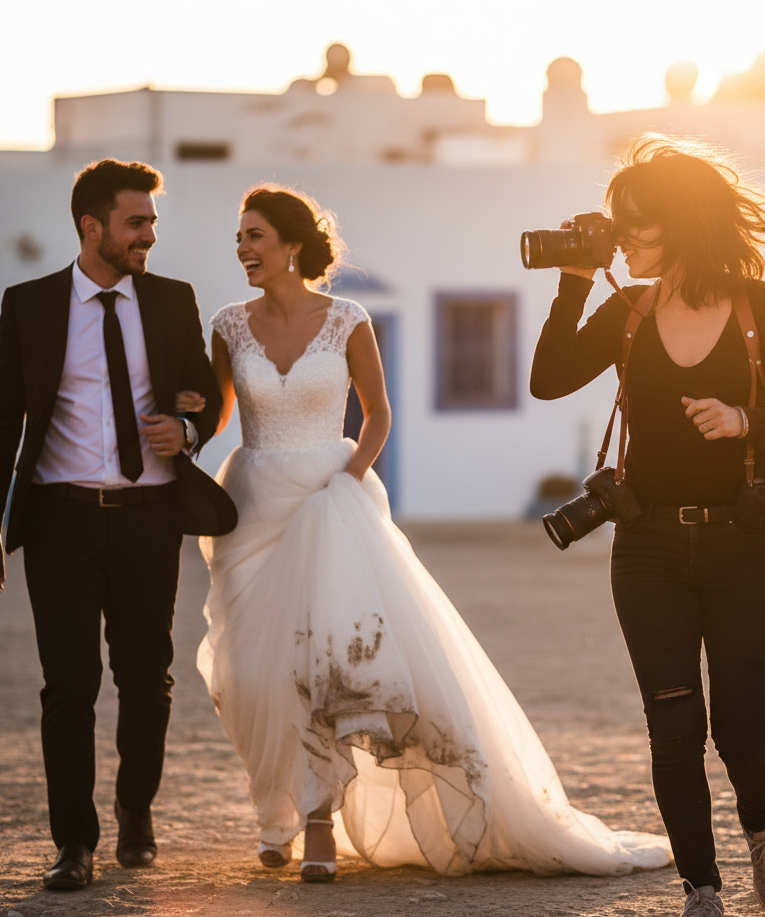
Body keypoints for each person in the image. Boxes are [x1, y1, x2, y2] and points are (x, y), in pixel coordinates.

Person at [183, 184, 673, 880]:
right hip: (254, 506)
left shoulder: (348, 318)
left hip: (332, 497)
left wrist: (350, 477)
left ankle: (319, 823)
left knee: (327, 664)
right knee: (256, 670)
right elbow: (217, 412)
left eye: (254, 236)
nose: (242, 249)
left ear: (291, 245)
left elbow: (378, 414)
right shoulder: (230, 325)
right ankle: (277, 810)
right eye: (238, 238)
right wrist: (182, 418)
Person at [530, 136, 765, 917]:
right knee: (672, 724)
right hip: (648, 549)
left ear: (682, 223)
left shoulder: (762, 309)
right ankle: (701, 890)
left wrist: (744, 421)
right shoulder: (628, 311)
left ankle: (761, 829)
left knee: (743, 729)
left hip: (743, 548)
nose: (621, 236)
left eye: (635, 223)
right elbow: (548, 379)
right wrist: (572, 283)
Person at [0, 159, 231, 890]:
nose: (150, 233)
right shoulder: (31, 305)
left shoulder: (174, 300)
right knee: (70, 682)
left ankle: (135, 815)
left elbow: (205, 396)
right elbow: (0, 417)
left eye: (151, 220)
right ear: (93, 228)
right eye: (136, 222)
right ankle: (73, 843)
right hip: (60, 522)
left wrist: (188, 426)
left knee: (147, 681)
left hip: (149, 520)